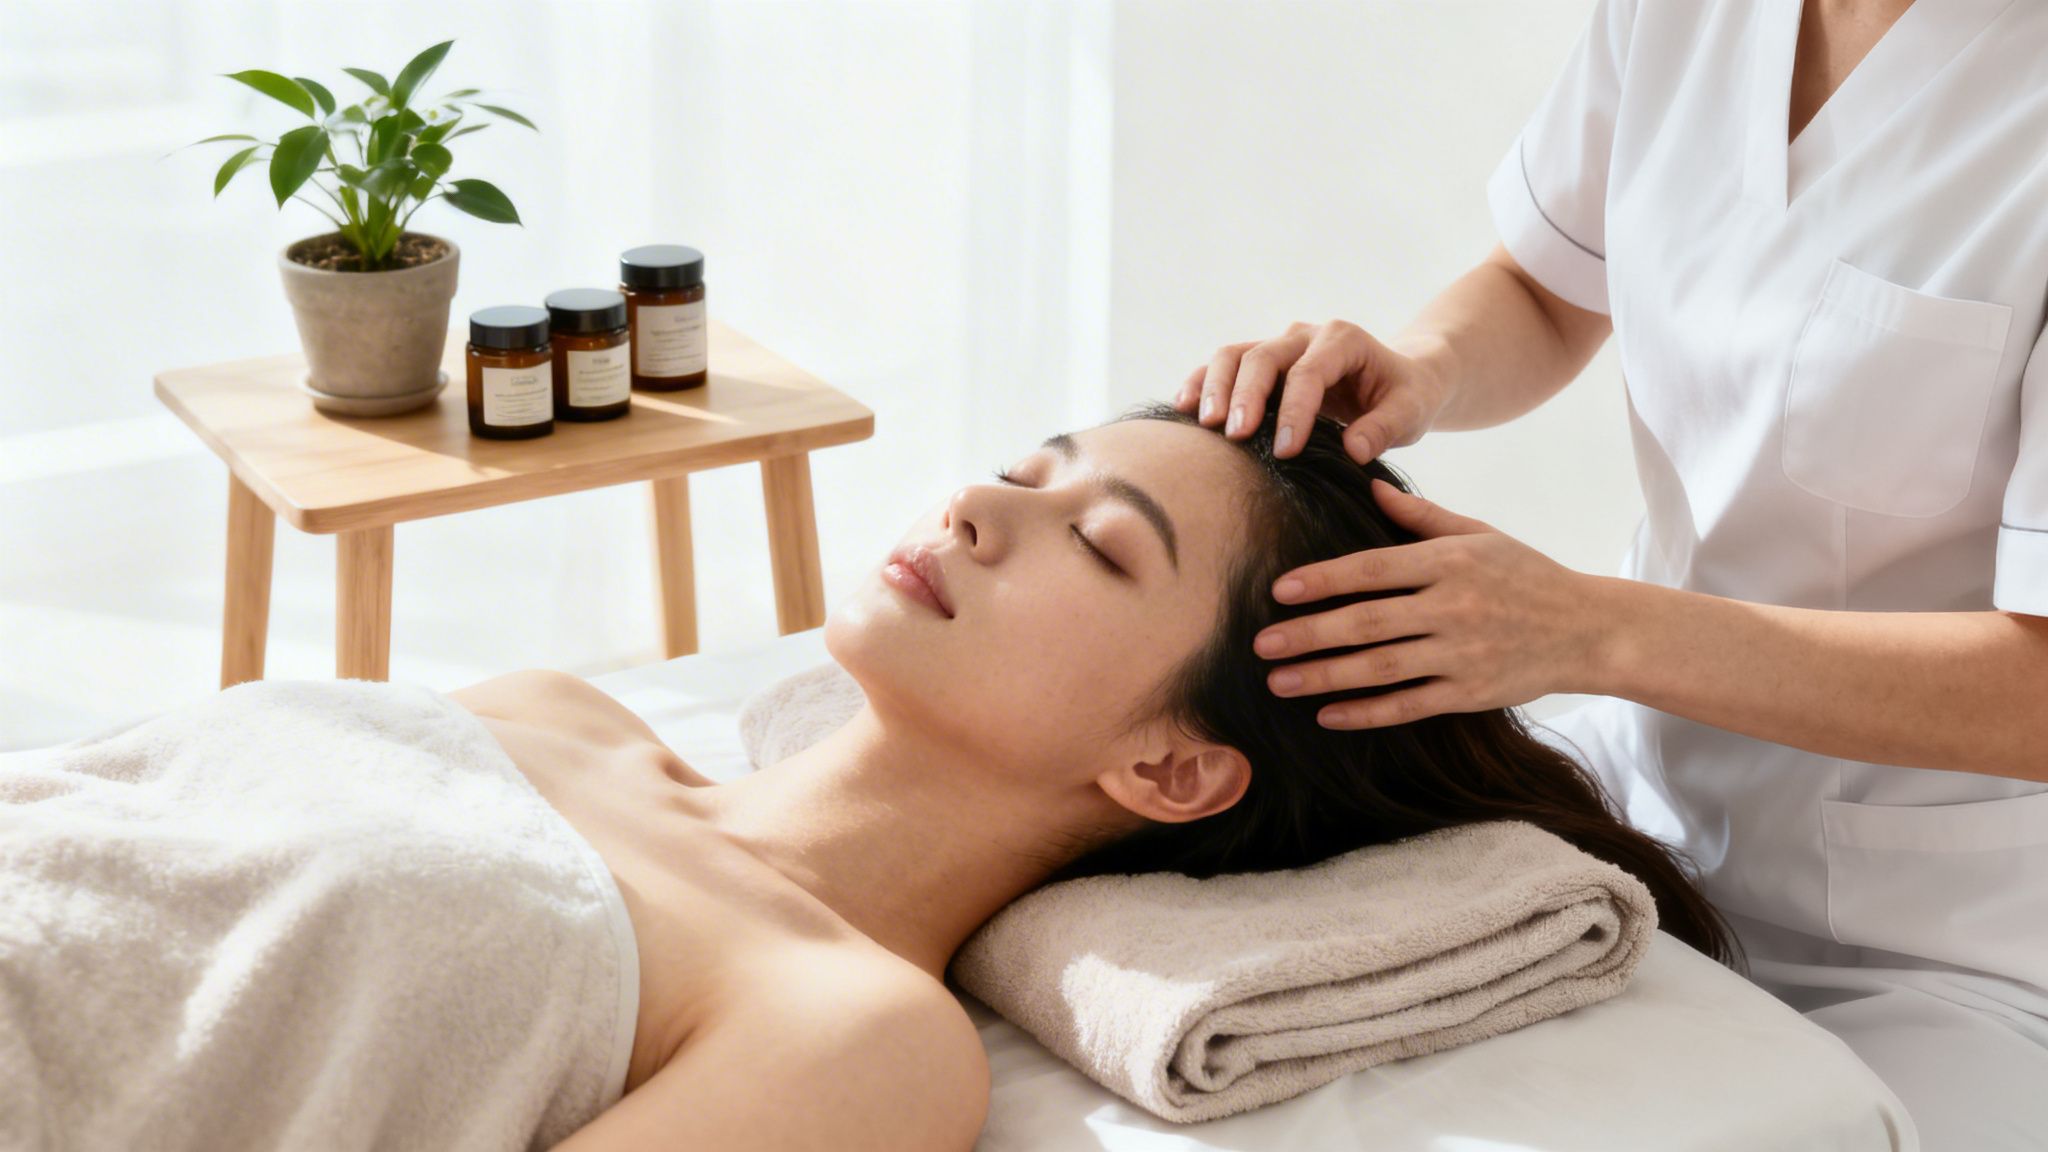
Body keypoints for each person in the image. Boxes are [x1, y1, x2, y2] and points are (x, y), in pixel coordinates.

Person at [1177, 2, 2048, 1148]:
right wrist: (1420, 370)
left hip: (1952, 935)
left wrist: (1589, 630)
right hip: (1642, 813)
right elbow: (1543, 286)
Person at [501, 403, 1740, 1150]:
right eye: (1028, 473)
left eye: (1096, 544)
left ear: (1173, 768)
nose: (975, 504)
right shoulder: (549, 713)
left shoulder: (857, 1040)